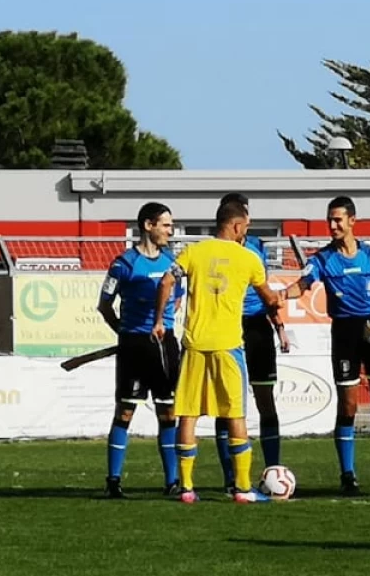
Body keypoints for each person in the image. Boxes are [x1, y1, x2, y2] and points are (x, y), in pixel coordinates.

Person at [157, 200, 283, 504]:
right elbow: (270, 298)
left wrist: (160, 319)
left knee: (187, 415)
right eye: (246, 227)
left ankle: (186, 488)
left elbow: (166, 280)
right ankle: (242, 489)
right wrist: (280, 300)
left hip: (195, 345)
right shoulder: (248, 257)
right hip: (228, 346)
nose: (246, 232)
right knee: (235, 415)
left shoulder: (194, 252)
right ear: (237, 226)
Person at [289, 196, 370, 494]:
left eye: (338, 219)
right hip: (345, 333)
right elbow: (303, 284)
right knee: (349, 404)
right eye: (330, 220)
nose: (333, 225)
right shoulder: (323, 259)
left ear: (353, 220)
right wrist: (278, 295)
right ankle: (348, 473)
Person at [98, 202, 183, 499]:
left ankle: (172, 481)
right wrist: (125, 331)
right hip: (133, 345)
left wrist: (163, 322)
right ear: (148, 225)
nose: (170, 231)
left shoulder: (172, 264)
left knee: (168, 411)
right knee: (125, 411)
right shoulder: (123, 264)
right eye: (166, 225)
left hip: (164, 344)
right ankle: (113, 481)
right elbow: (104, 305)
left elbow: (176, 300)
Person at [220, 192, 292, 477]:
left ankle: (272, 468)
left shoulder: (256, 246)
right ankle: (230, 476)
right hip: (227, 326)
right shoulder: (214, 250)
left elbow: (266, 290)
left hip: (258, 326)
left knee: (265, 399)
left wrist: (280, 326)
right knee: (226, 403)